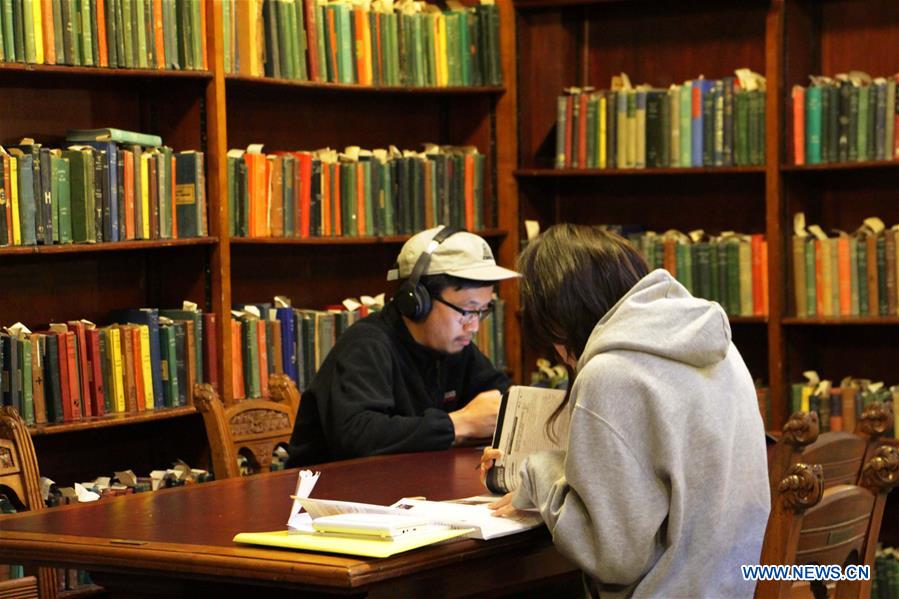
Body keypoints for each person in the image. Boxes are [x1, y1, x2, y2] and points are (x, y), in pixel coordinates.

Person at [481, 224, 770, 598]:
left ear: (560, 319)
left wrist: (538, 474)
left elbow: (614, 556)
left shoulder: (610, 373)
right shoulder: (721, 348)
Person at [286, 226, 519, 467]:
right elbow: (356, 436)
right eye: (467, 311)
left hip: (411, 490)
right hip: (329, 495)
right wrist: (459, 424)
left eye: (482, 312)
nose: (474, 326)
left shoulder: (456, 348)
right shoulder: (366, 345)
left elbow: (504, 398)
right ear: (417, 300)